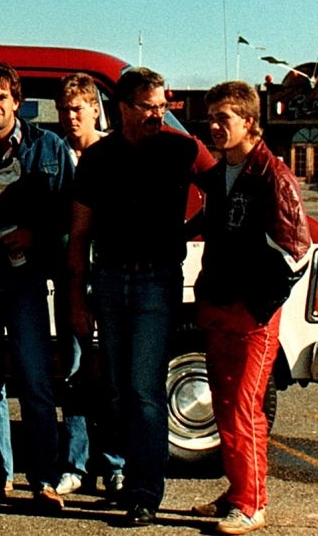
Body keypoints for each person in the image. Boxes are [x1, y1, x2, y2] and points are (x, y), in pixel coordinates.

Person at [66, 67, 215, 527]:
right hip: (108, 281)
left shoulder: (182, 149)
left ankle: (145, 492)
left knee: (145, 390)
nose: (158, 115)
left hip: (157, 281)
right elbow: (79, 234)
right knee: (113, 388)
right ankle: (122, 476)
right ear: (123, 108)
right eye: (149, 107)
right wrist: (76, 297)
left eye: (163, 107)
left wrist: (189, 230)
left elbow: (229, 189)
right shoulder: (98, 158)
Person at [187, 80, 311, 535]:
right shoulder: (223, 172)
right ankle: (238, 491)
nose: (216, 127)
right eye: (212, 118)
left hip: (251, 315)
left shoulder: (271, 175)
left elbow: (295, 251)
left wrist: (259, 307)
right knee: (223, 406)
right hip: (218, 305)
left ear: (250, 122)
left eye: (226, 118)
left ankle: (254, 504)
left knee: (244, 407)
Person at [0, 63, 74, 510]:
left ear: (17, 100)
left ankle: (43, 480)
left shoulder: (49, 148)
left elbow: (71, 213)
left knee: (35, 380)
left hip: (26, 281)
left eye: (2, 97)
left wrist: (36, 235)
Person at [51, 73, 125, 499]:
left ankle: (115, 462)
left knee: (113, 374)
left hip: (114, 277)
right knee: (74, 372)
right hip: (70, 276)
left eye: (78, 108)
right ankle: (75, 463)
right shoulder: (56, 155)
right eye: (64, 109)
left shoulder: (116, 154)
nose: (70, 116)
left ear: (96, 109)